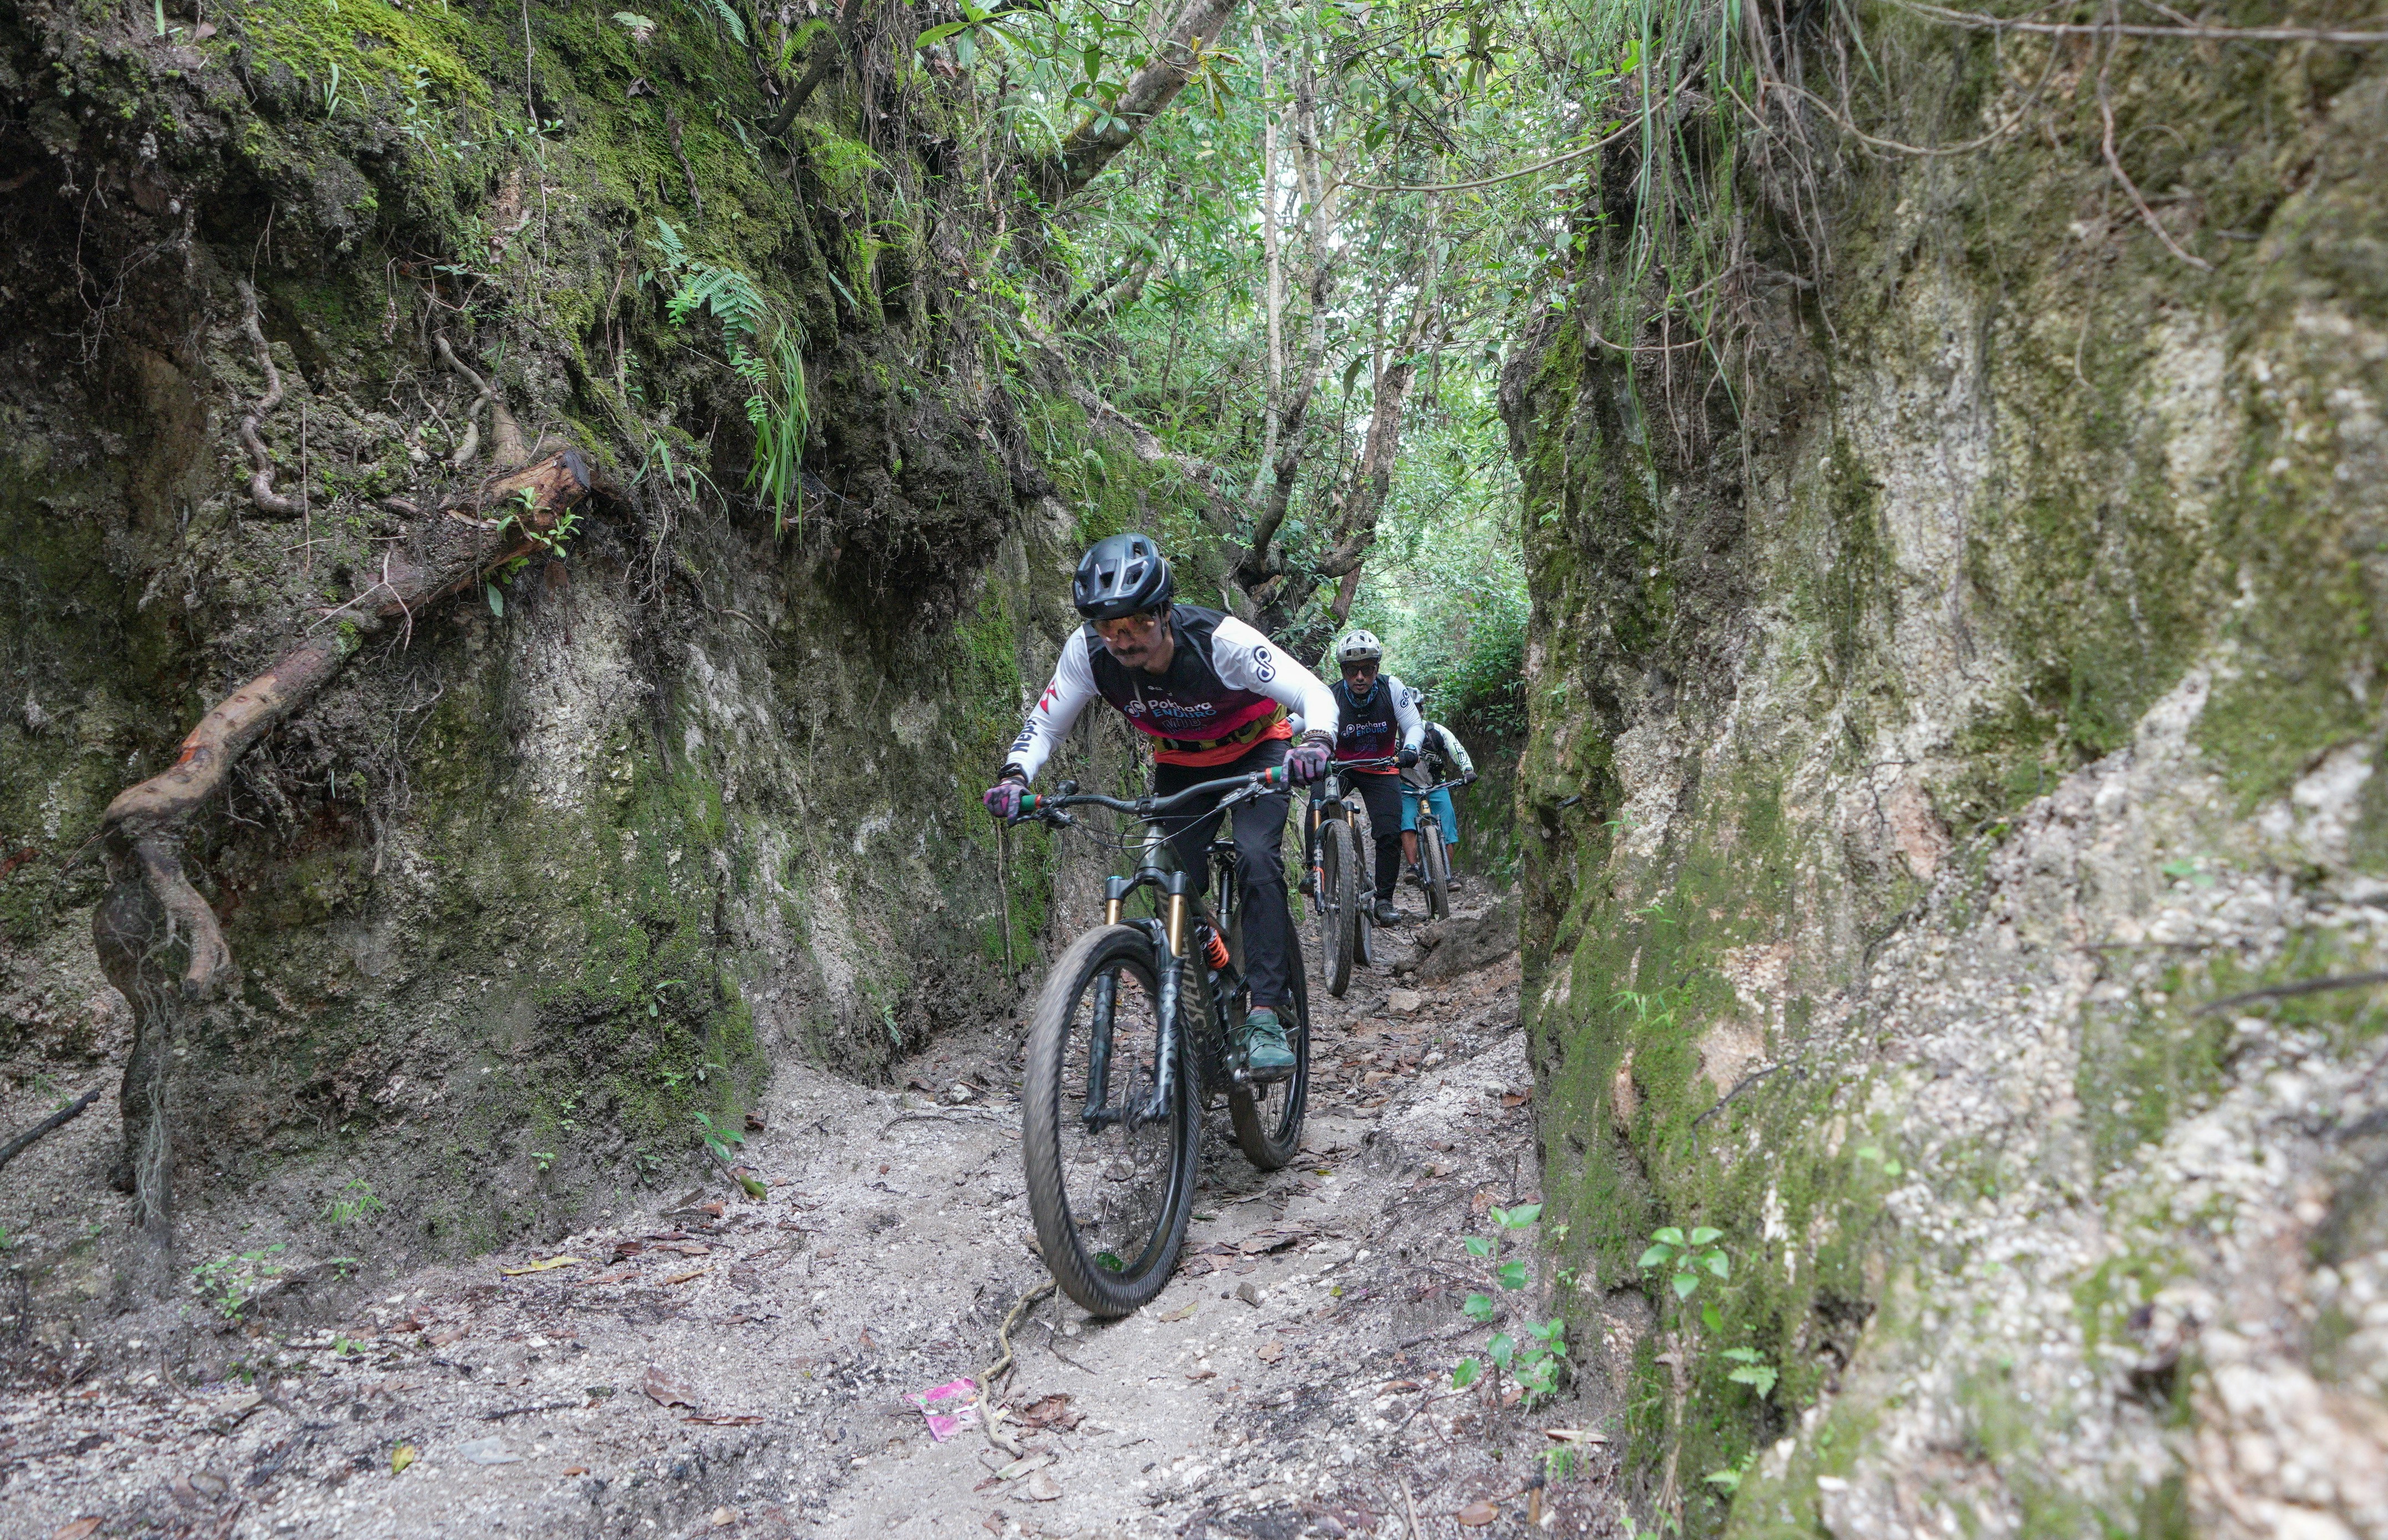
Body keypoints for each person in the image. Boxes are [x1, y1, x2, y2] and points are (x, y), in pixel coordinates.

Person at [983, 534, 1337, 1081]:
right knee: (1171, 879)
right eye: (1109, 627)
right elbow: (1045, 723)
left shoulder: (1223, 642)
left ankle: (1266, 1012)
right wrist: (1014, 776)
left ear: (1166, 612)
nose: (1123, 640)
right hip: (1181, 762)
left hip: (1258, 749)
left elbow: (1315, 693)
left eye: (1138, 624)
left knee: (1257, 858)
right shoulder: (1088, 654)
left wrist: (1314, 744)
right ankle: (1202, 999)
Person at [1323, 630, 1424, 928]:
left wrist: (1410, 749)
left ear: (1376, 668)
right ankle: (1314, 869)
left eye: (1367, 669)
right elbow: (1302, 721)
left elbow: (1413, 725)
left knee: (1389, 833)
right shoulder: (1331, 695)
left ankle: (1384, 900)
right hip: (1342, 766)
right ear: (1342, 671)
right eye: (1351, 670)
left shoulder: (1392, 687)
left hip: (1381, 767)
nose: (1359, 677)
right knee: (1318, 800)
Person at [1401, 706, 1477, 889]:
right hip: (1407, 787)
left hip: (1437, 786)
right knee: (1407, 822)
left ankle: (1447, 875)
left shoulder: (1436, 731)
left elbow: (1456, 748)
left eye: (1417, 709)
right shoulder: (1395, 735)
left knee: (1448, 826)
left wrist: (1468, 769)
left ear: (1422, 711)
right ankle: (1413, 867)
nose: (1414, 714)